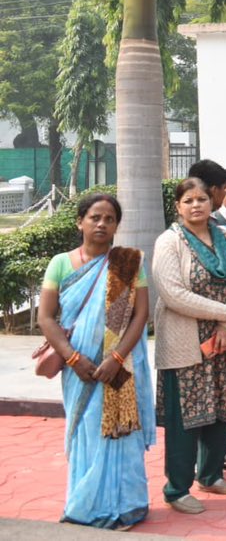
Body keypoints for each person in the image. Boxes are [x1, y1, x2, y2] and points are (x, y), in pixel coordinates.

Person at [36, 193, 155, 531]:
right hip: (78, 368)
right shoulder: (60, 262)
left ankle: (126, 505)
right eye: (94, 217)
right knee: (85, 432)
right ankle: (85, 505)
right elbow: (46, 318)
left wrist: (117, 358)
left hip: (119, 367)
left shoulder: (128, 263)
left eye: (109, 219)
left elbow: (140, 314)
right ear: (80, 221)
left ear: (117, 225)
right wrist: (72, 358)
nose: (102, 224)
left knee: (120, 433)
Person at [152, 178, 226, 515]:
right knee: (185, 417)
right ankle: (176, 488)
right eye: (188, 200)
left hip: (225, 339)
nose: (196, 205)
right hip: (186, 341)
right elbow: (173, 294)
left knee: (220, 407)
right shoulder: (170, 242)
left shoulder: (225, 236)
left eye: (201, 199)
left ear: (212, 202)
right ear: (178, 206)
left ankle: (211, 475)